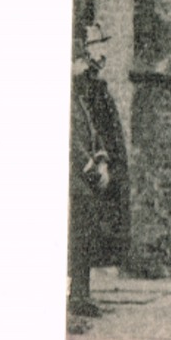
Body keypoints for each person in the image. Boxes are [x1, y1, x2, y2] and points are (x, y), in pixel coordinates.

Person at [69, 48, 127, 322]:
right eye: (80, 63)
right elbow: (71, 141)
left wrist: (102, 161)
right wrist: (91, 167)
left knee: (85, 233)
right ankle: (75, 296)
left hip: (86, 178)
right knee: (77, 233)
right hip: (73, 179)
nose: (84, 67)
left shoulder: (78, 99)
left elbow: (92, 133)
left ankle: (81, 294)